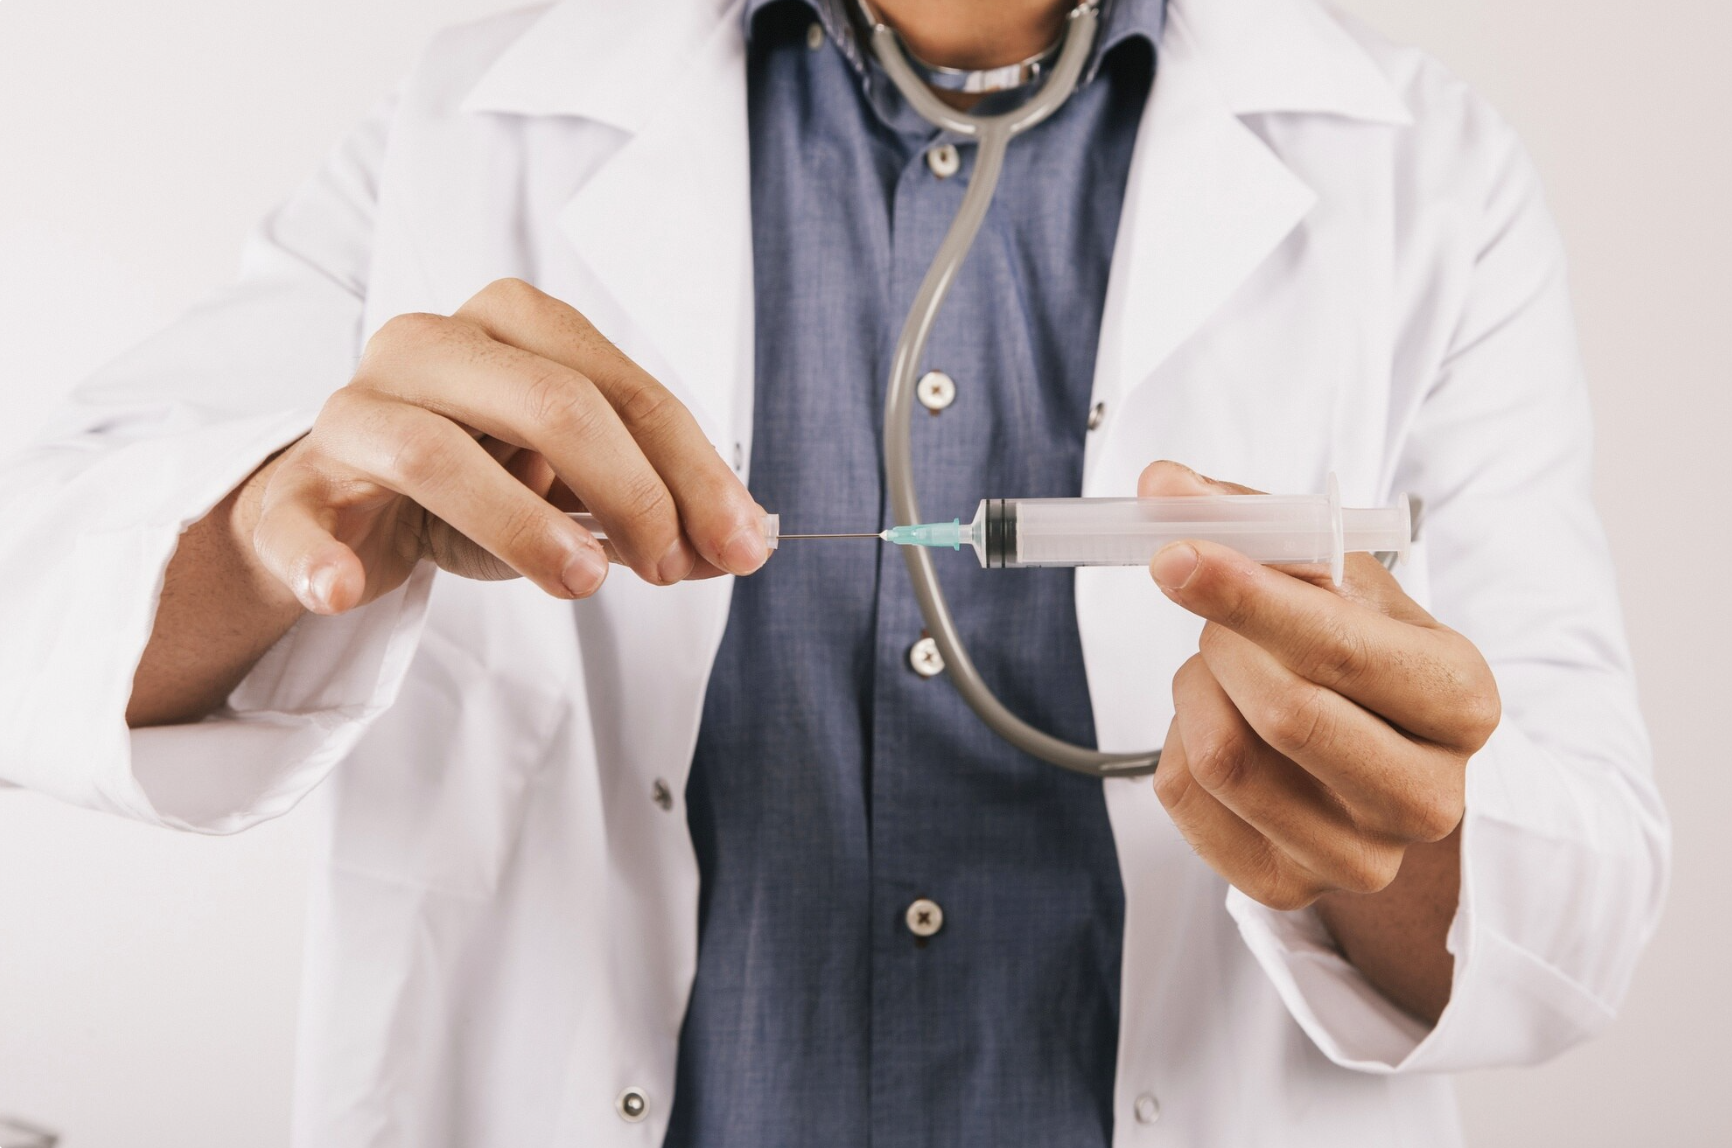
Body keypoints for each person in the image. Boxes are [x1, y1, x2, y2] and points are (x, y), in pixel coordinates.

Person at [0, 0, 1669, 1144]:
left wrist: (1392, 824)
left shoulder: (1430, 179)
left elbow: (1576, 901)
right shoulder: (470, 122)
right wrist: (277, 517)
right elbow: (39, 594)